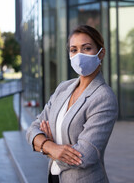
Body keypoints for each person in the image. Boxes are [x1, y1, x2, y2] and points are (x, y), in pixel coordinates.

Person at [26, 25, 118, 183]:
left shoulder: (104, 97)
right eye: (74, 50)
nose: (79, 55)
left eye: (87, 48)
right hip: (54, 178)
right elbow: (32, 128)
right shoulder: (64, 88)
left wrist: (45, 147)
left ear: (101, 53)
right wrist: (51, 146)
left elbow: (85, 156)